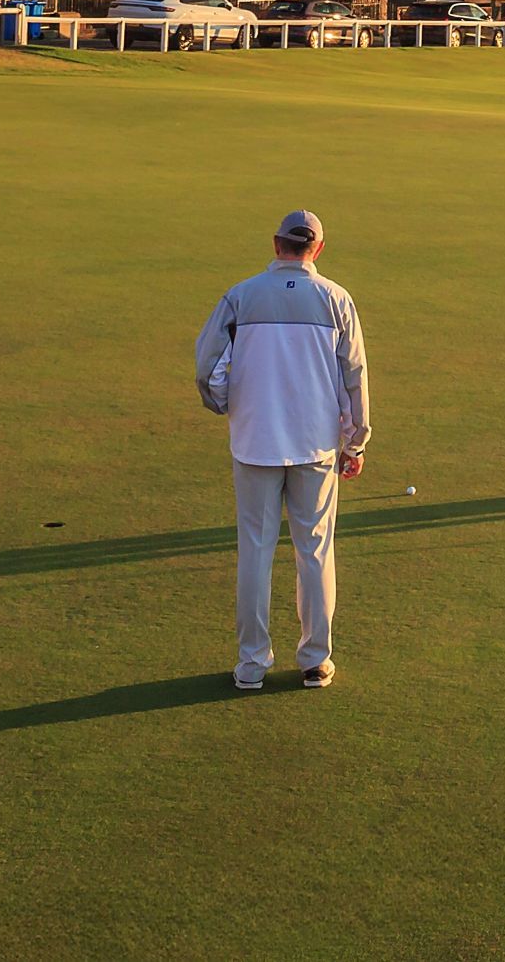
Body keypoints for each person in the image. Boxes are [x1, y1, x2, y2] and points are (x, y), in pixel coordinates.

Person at [193, 208, 373, 691]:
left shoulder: (241, 295)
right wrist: (355, 443)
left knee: (254, 551)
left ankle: (252, 665)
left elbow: (207, 365)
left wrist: (229, 405)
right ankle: (315, 661)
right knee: (314, 550)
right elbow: (355, 376)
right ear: (317, 249)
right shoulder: (336, 299)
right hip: (315, 445)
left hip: (254, 442)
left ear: (277, 245)